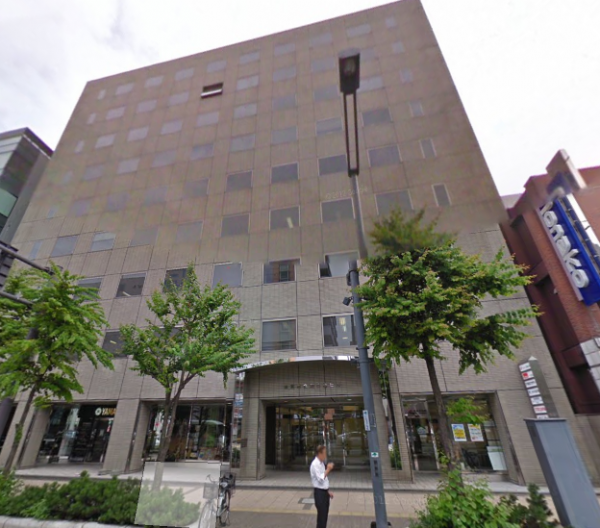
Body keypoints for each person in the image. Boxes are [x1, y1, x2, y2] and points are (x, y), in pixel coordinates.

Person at [310, 445, 334, 528]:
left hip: (324, 493)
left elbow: (324, 480)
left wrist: (327, 491)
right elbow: (320, 479)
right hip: (319, 493)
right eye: (324, 453)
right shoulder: (315, 464)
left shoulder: (321, 463)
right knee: (321, 517)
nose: (325, 455)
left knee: (324, 516)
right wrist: (328, 469)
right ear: (320, 454)